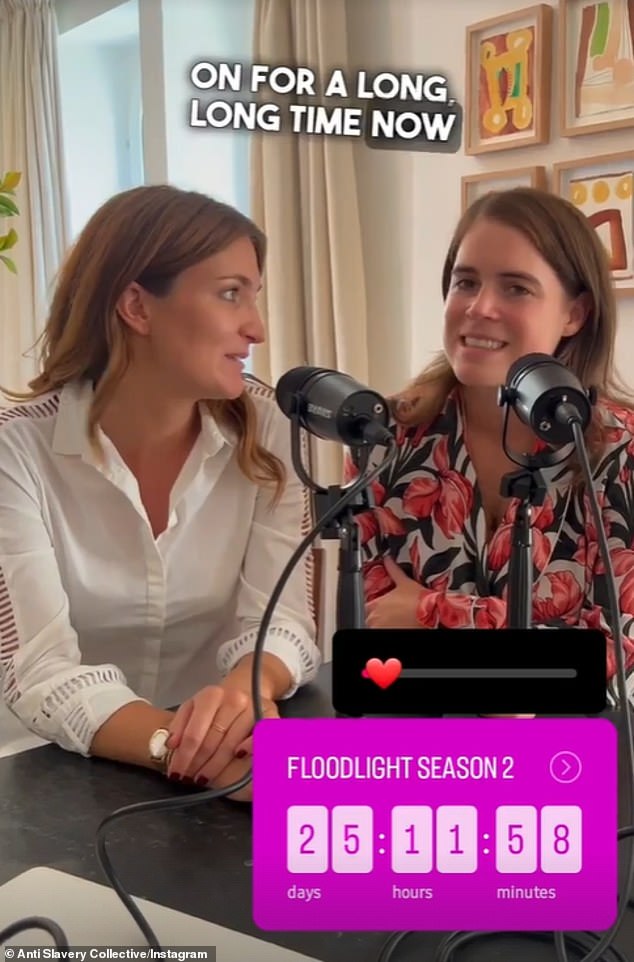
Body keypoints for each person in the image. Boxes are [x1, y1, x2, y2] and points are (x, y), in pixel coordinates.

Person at [0, 184, 321, 800]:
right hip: (48, 777)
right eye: (230, 293)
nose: (256, 327)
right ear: (137, 307)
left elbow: (281, 619)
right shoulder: (15, 452)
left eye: (254, 296)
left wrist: (246, 692)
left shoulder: (272, 429)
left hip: (222, 756)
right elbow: (40, 669)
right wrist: (187, 750)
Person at [345, 186, 634, 705]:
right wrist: (524, 663)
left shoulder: (623, 449)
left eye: (516, 288)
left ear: (575, 314)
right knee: (279, 755)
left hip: (575, 744)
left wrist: (432, 610)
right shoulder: (383, 436)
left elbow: (617, 658)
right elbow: (372, 647)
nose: (480, 307)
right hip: (412, 731)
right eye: (466, 282)